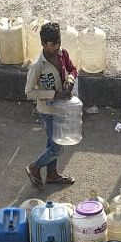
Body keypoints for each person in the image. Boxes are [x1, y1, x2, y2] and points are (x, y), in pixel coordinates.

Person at [24, 22, 78, 188]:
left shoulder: (63, 54)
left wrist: (69, 81)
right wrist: (53, 94)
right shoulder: (37, 66)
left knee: (51, 143)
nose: (57, 47)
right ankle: (34, 167)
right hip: (47, 111)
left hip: (62, 108)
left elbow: (73, 70)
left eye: (59, 42)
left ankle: (52, 174)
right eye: (53, 44)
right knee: (58, 147)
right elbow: (29, 92)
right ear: (43, 43)